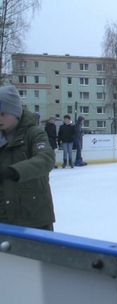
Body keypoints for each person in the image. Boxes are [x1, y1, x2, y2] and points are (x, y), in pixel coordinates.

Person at [0, 85, 56, 230]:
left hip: (34, 216)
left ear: (16, 112)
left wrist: (15, 171)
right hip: (4, 217)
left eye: (2, 114)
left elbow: (46, 158)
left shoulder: (34, 134)